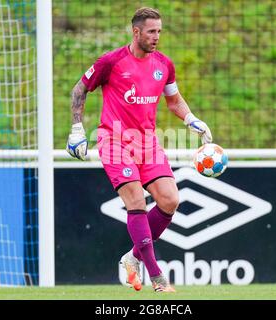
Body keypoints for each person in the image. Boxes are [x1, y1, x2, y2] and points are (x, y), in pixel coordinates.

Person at [66, 7, 212, 292]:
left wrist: (191, 118)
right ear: (136, 32)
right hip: (114, 140)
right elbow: (78, 90)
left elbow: (174, 100)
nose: (157, 37)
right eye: (151, 32)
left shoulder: (164, 65)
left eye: (159, 31)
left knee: (170, 200)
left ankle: (133, 257)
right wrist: (76, 129)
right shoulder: (111, 62)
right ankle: (157, 276)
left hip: (147, 142)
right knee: (136, 200)